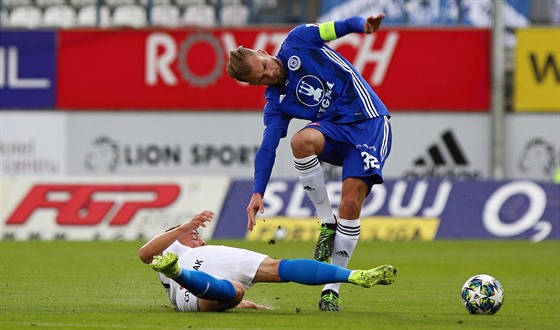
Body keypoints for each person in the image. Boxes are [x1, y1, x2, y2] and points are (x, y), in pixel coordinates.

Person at [226, 13, 392, 311]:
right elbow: (266, 149)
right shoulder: (276, 103)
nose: (268, 75)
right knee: (300, 141)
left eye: (264, 67)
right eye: (259, 79)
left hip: (369, 123)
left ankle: (332, 289)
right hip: (335, 131)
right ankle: (327, 221)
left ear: (264, 53)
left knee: (351, 204)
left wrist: (362, 25)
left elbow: (334, 28)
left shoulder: (298, 40)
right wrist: (256, 192)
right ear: (253, 85)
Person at [139, 210, 397, 312]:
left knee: (277, 268)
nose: (199, 238)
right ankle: (352, 275)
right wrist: (185, 227)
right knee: (236, 292)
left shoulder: (199, 248)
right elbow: (145, 254)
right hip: (188, 272)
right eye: (195, 235)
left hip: (206, 266)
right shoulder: (171, 246)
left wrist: (244, 306)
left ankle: (355, 275)